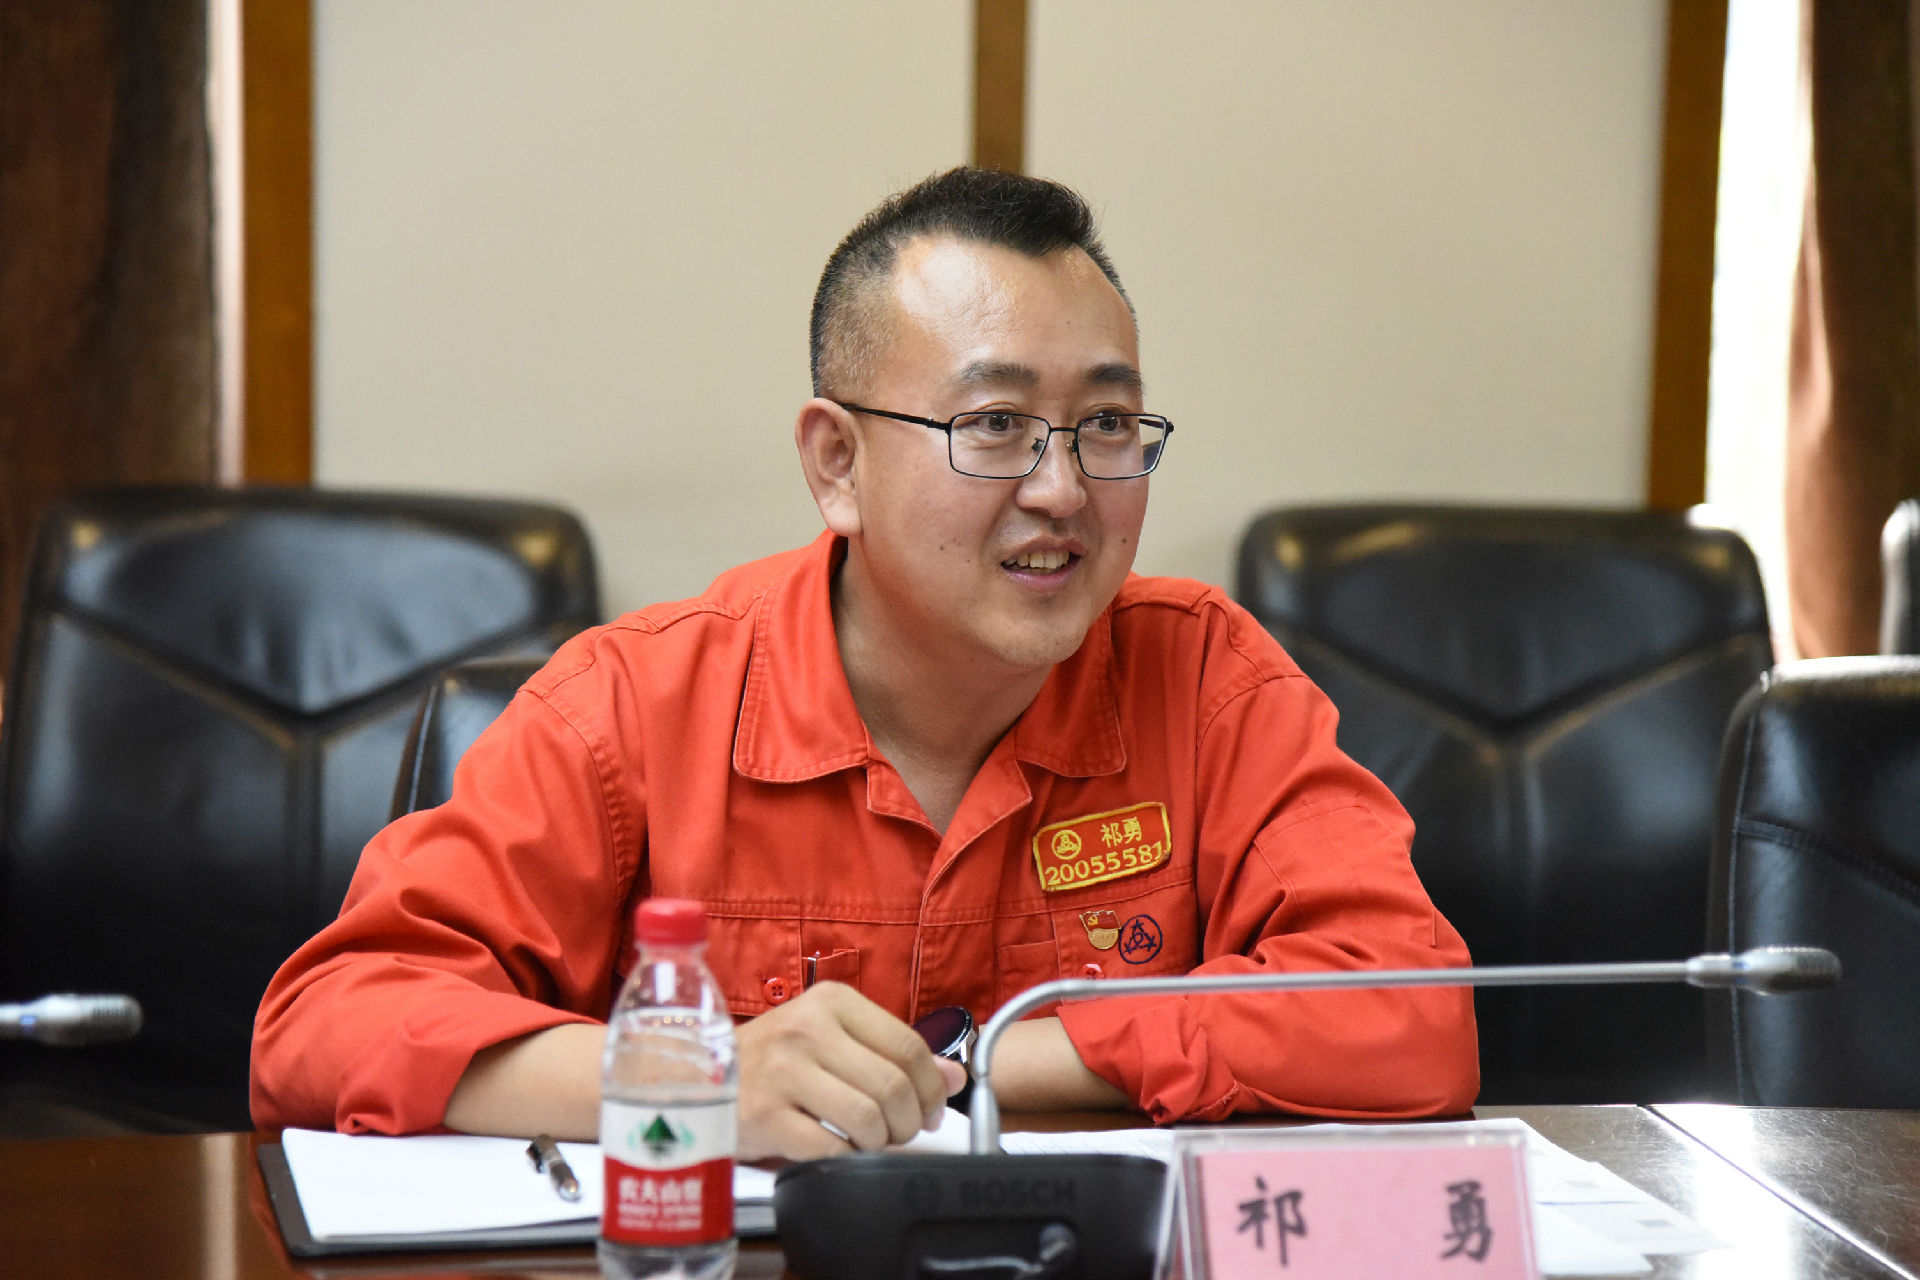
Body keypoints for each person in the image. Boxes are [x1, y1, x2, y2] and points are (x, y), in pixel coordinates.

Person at [251, 167, 1477, 1160]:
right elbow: (322, 1026)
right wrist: (696, 1077)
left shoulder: (1206, 676)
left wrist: (981, 1062)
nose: (1063, 489)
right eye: (994, 424)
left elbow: (1409, 1013)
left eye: (1106, 424)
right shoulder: (632, 704)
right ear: (836, 462)